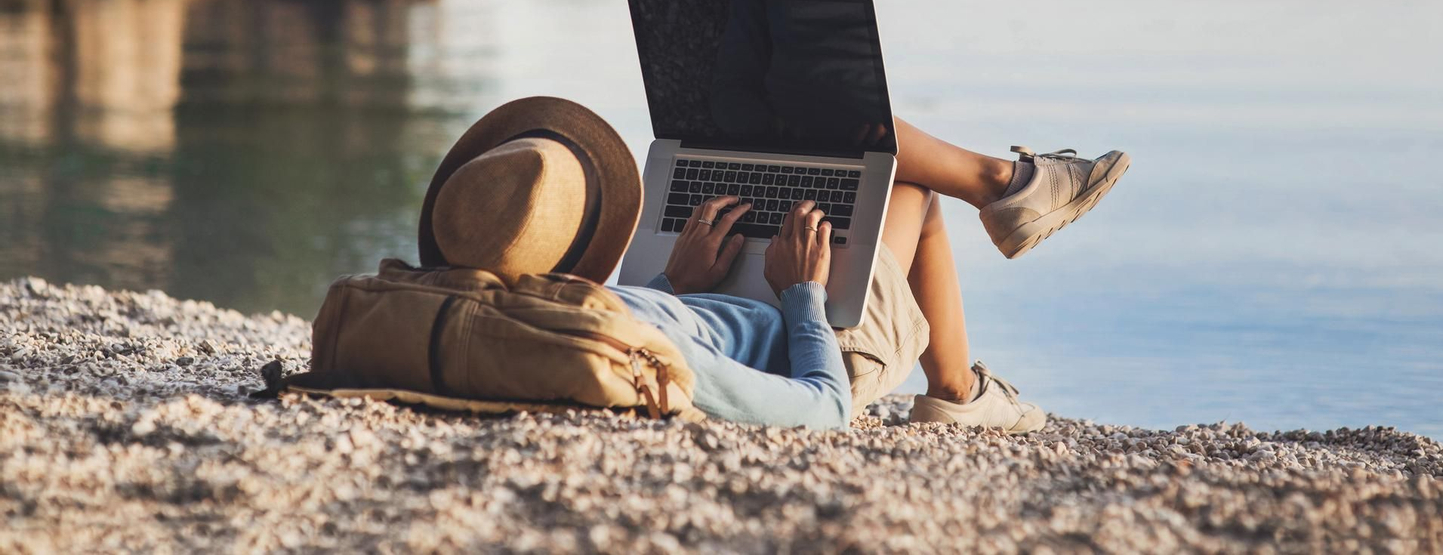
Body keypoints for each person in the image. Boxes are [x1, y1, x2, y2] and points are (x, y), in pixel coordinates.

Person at [418, 98, 1129, 432]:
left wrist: (673, 286)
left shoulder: (523, 314)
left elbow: (637, 315)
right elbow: (822, 409)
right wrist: (803, 294)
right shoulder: (628, 343)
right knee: (900, 176)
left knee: (829, 126)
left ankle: (1007, 190)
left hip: (709, 297)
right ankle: (958, 387)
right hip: (820, 348)